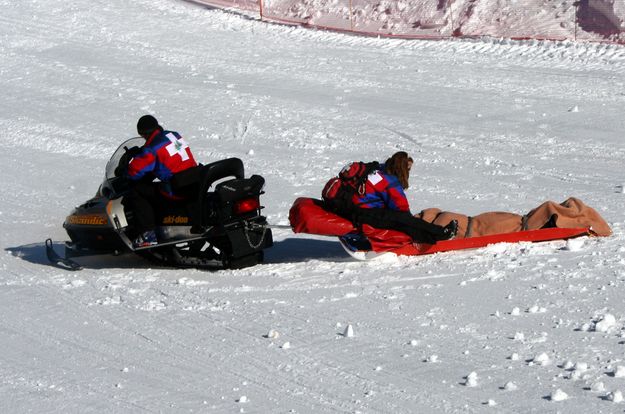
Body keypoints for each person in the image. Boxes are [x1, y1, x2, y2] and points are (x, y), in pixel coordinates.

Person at [350, 151, 457, 244]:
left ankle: (434, 233)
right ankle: (440, 234)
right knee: (404, 221)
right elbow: (402, 209)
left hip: (354, 207)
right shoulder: (390, 182)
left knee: (399, 218)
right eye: (408, 169)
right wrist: (414, 222)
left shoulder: (379, 169)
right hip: (363, 213)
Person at [124, 115, 198, 248]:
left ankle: (147, 234)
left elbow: (134, 172)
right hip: (195, 181)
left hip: (177, 189)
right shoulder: (173, 135)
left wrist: (126, 169)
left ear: (144, 133)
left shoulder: (151, 148)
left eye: (142, 135)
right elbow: (168, 158)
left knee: (137, 190)